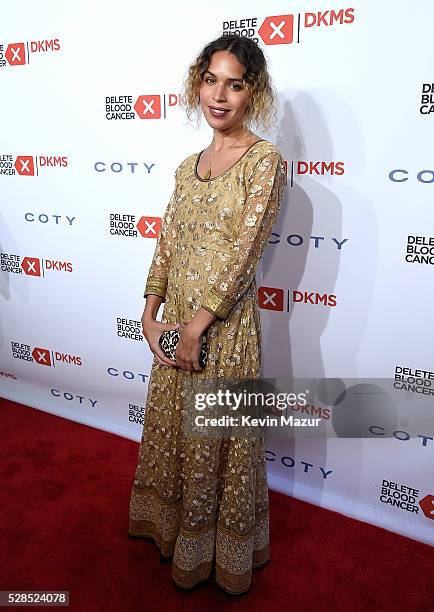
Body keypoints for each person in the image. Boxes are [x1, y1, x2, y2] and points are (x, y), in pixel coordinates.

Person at [128, 34, 287, 595]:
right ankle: (171, 533)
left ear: (254, 93)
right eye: (211, 80)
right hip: (175, 330)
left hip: (224, 332)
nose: (219, 95)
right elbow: (166, 244)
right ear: (198, 82)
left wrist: (197, 326)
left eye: (235, 84)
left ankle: (219, 557)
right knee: (176, 437)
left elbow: (246, 256)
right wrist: (151, 317)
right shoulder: (185, 165)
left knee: (220, 446)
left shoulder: (265, 162)